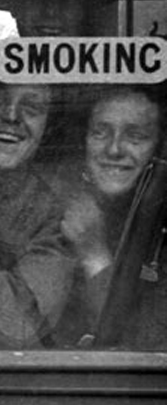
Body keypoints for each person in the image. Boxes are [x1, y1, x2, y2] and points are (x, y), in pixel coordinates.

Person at [0, 60, 75, 348]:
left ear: (49, 127)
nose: (11, 115)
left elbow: (15, 326)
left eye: (32, 108)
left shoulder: (57, 211)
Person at [53, 85, 164, 348]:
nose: (114, 149)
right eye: (100, 133)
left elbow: (141, 349)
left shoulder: (159, 229)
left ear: (158, 149)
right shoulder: (53, 206)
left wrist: (94, 255)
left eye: (135, 136)